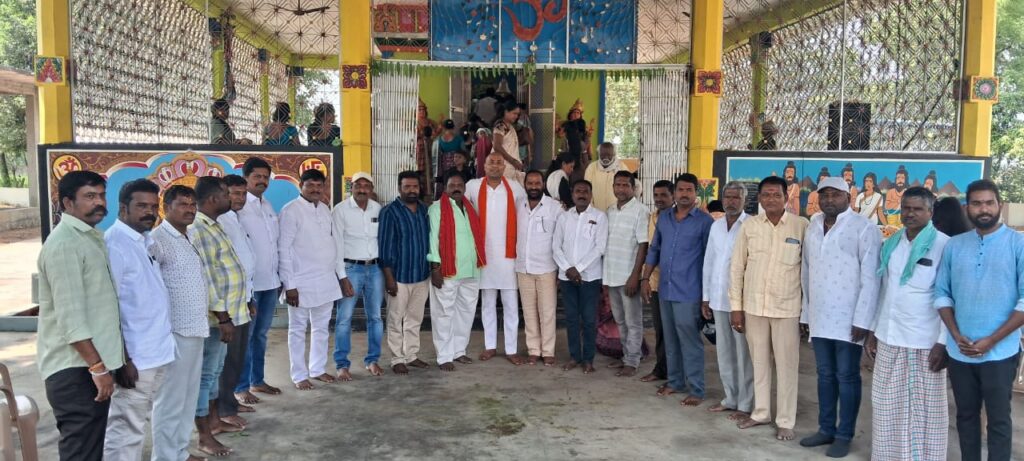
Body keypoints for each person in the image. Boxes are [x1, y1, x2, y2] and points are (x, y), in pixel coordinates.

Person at [935, 179, 1024, 461]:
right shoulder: (955, 245)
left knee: (998, 420)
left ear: (999, 205)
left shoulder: (1018, 244)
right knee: (966, 416)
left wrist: (992, 340)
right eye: (976, 203)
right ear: (967, 208)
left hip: (1000, 352)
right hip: (960, 351)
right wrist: (955, 334)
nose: (983, 209)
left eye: (989, 203)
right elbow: (942, 294)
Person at [36, 171, 123, 460]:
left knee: (90, 447)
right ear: (67, 203)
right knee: (81, 450)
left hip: (89, 365)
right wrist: (98, 368)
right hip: (76, 369)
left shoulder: (88, 238)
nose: (99, 202)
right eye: (89, 196)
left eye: (101, 196)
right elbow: (70, 319)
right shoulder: (65, 244)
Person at [866, 186, 951, 461]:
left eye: (917, 209)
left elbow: (950, 298)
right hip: (889, 336)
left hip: (924, 342)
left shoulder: (944, 246)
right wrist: (873, 331)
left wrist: (943, 342)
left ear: (930, 212)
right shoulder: (891, 243)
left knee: (923, 410)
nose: (910, 214)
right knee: (885, 405)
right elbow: (885, 291)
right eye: (906, 208)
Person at [799, 177, 881, 458]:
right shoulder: (813, 225)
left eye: (835, 195)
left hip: (849, 319)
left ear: (849, 198)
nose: (829, 200)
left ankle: (844, 435)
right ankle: (825, 429)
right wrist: (806, 313)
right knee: (824, 375)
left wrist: (863, 320)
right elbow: (806, 272)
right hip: (820, 316)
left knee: (846, 376)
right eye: (824, 195)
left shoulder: (864, 227)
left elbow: (871, 278)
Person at [729, 176, 809, 441]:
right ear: (760, 198)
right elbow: (737, 268)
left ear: (786, 197)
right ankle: (761, 412)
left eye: (776, 194)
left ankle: (785, 420)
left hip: (787, 308)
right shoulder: (750, 226)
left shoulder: (801, 226)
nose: (771, 199)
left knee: (787, 367)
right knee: (759, 363)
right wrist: (736, 307)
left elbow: (808, 272)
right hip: (753, 307)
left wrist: (807, 313)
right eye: (766, 195)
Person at [102, 179, 177, 461]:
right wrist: (122, 359)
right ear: (123, 208)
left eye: (153, 206)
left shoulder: (144, 240)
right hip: (136, 358)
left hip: (157, 351)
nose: (149, 212)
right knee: (126, 428)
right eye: (141, 206)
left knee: (138, 423)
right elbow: (109, 307)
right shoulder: (115, 245)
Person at [149, 185, 215, 461]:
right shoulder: (157, 240)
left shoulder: (189, 236)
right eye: (183, 204)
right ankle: (165, 456)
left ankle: (179, 451)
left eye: (192, 205)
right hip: (174, 331)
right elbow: (150, 288)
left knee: (188, 396)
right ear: (166, 208)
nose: (190, 210)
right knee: (170, 400)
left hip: (195, 328)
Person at [641, 173, 714, 405]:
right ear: (675, 193)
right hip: (666, 289)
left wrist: (706, 296)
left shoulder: (705, 222)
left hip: (689, 291)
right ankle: (675, 381)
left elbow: (709, 259)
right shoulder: (664, 219)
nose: (684, 194)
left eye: (689, 190)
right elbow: (654, 249)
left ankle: (697, 389)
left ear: (695, 193)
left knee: (689, 341)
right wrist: (645, 278)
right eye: (681, 190)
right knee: (670, 339)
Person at [190, 175, 248, 454]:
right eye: (227, 194)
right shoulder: (198, 229)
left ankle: (214, 421)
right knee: (206, 375)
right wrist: (223, 317)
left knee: (214, 372)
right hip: (216, 319)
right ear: (214, 198)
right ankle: (204, 435)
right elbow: (208, 278)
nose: (231, 198)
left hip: (228, 314)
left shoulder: (214, 225)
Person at [279, 168, 343, 390]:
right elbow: (283, 249)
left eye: (319, 185)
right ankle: (299, 375)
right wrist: (290, 285)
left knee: (321, 327)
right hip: (301, 282)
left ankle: (317, 369)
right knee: (297, 330)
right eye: (310, 185)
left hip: (325, 280)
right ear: (301, 186)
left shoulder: (324, 209)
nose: (316, 189)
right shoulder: (291, 211)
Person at [466, 153, 527, 364]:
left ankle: (511, 349)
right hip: (485, 255)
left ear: (504, 166)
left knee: (511, 304)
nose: (495, 165)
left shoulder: (515, 188)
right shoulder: (473, 186)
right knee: (488, 304)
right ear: (484, 165)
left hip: (509, 256)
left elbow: (525, 214)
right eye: (491, 162)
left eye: (499, 162)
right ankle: (490, 346)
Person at [700, 182, 753, 420]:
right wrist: (706, 297)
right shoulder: (716, 226)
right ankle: (730, 398)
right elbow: (709, 261)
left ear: (744, 200)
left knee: (744, 354)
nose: (731, 202)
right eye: (728, 197)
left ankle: (746, 403)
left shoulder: (751, 225)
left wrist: (742, 303)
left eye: (736, 198)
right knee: (724, 352)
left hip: (741, 302)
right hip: (718, 299)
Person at [236, 157, 283, 398]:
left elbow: (274, 244)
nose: (262, 181)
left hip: (270, 282)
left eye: (266, 177)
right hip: (250, 286)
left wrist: (280, 277)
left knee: (261, 335)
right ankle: (241, 387)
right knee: (246, 337)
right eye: (257, 176)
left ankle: (257, 380)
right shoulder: (238, 208)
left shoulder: (268, 206)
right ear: (246, 178)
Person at [428, 173, 486, 371]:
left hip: (471, 269)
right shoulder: (437, 209)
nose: (456, 188)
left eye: (459, 184)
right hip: (447, 270)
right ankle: (444, 356)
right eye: (452, 185)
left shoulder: (470, 208)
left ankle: (459, 350)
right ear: (445, 188)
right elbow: (433, 239)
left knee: (466, 313)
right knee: (444, 314)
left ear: (464, 187)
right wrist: (435, 267)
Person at [332, 172, 385, 379]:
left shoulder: (378, 209)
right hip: (351, 268)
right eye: (358, 185)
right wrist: (342, 276)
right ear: (351, 188)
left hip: (375, 269)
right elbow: (336, 245)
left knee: (375, 317)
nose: (362, 189)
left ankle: (372, 360)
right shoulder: (340, 210)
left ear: (372, 189)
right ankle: (342, 364)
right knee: (344, 318)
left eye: (366, 186)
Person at [379, 171, 433, 374]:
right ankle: (397, 358)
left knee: (414, 318)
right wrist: (389, 278)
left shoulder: (424, 210)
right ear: (399, 188)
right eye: (407, 187)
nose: (412, 190)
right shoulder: (389, 212)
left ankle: (411, 355)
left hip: (421, 275)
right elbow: (385, 246)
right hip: (398, 276)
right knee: (395, 319)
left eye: (415, 186)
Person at [554, 180, 608, 374]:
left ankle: (588, 359)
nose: (582, 194)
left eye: (586, 191)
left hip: (589, 278)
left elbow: (600, 248)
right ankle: (574, 356)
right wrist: (568, 269)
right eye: (578, 191)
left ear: (591, 195)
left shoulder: (599, 217)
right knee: (571, 319)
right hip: (567, 278)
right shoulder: (564, 217)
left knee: (589, 319)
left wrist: (578, 269)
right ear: (572, 194)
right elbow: (555, 246)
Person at [216, 175, 257, 420]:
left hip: (242, 299)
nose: (240, 198)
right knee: (226, 360)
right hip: (226, 304)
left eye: (243, 194)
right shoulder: (219, 222)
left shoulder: (236, 218)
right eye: (234, 193)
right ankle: (223, 410)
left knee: (237, 357)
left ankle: (230, 401)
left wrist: (249, 298)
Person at [604, 171, 650, 377]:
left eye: (625, 185)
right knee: (620, 321)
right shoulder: (610, 210)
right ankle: (627, 355)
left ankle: (632, 361)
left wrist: (635, 276)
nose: (621, 189)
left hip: (629, 276)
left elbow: (643, 245)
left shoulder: (641, 211)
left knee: (633, 321)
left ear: (633, 188)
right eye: (618, 185)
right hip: (611, 274)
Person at [514, 170, 562, 366]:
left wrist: (561, 269)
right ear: (525, 185)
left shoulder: (555, 207)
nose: (533, 187)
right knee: (529, 312)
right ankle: (533, 350)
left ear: (543, 185)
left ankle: (548, 350)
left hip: (546, 268)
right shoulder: (518, 205)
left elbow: (561, 238)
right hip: (523, 267)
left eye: (537, 183)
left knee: (547, 312)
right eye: (530, 183)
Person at [640, 180, 674, 384]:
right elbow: (648, 249)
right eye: (656, 195)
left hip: (676, 283)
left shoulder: (677, 219)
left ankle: (675, 373)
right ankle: (661, 369)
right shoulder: (650, 217)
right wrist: (644, 278)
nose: (659, 199)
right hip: (654, 282)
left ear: (673, 196)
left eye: (664, 195)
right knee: (660, 329)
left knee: (675, 331)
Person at [584, 143, 627, 212]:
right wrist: (591, 209)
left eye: (609, 155)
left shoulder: (622, 167)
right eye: (603, 154)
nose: (605, 157)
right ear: (599, 154)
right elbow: (586, 189)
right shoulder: (591, 167)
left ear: (614, 154)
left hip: (617, 211)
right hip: (596, 211)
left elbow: (627, 190)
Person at [491, 99, 525, 181]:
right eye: (514, 113)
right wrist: (513, 161)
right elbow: (497, 146)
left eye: (517, 114)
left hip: (511, 167)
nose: (516, 116)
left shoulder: (510, 127)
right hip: (504, 166)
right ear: (506, 112)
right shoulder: (501, 126)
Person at [433, 119, 467, 193]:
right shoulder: (459, 138)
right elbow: (464, 151)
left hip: (444, 165)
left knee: (446, 180)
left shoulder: (439, 140)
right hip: (457, 164)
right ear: (453, 128)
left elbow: (437, 154)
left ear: (443, 128)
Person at [515, 103, 534, 169]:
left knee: (521, 160)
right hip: (523, 143)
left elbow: (528, 131)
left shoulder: (521, 117)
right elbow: (530, 131)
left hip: (521, 143)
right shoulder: (525, 117)